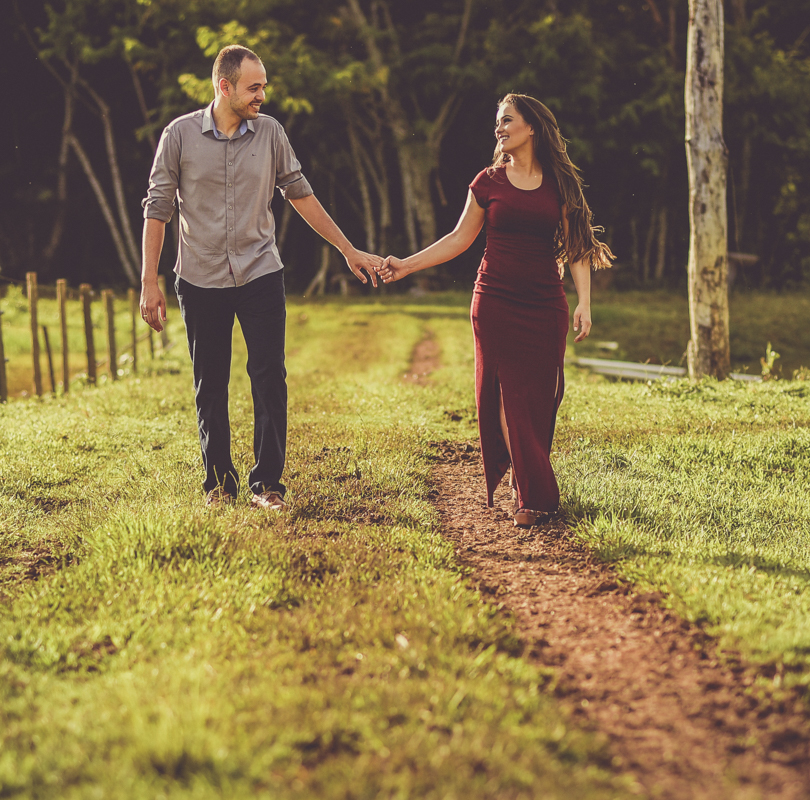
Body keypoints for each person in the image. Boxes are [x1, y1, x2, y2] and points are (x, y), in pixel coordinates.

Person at [140, 45, 382, 511]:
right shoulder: (179, 136)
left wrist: (347, 250)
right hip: (200, 278)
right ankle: (218, 484)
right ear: (224, 86)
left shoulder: (270, 133)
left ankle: (267, 484)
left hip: (260, 273)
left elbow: (300, 194)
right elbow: (158, 210)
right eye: (254, 87)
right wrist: (149, 282)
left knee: (269, 375)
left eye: (264, 86)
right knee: (209, 382)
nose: (262, 96)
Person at [377, 93, 613, 527]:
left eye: (507, 121)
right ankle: (533, 492)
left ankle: (524, 472)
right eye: (497, 123)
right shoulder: (488, 181)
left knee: (541, 398)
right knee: (507, 398)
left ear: (532, 129)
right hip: (495, 301)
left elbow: (577, 247)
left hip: (544, 304)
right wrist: (406, 265)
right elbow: (458, 239)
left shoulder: (558, 184)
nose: (500, 129)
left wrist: (585, 302)